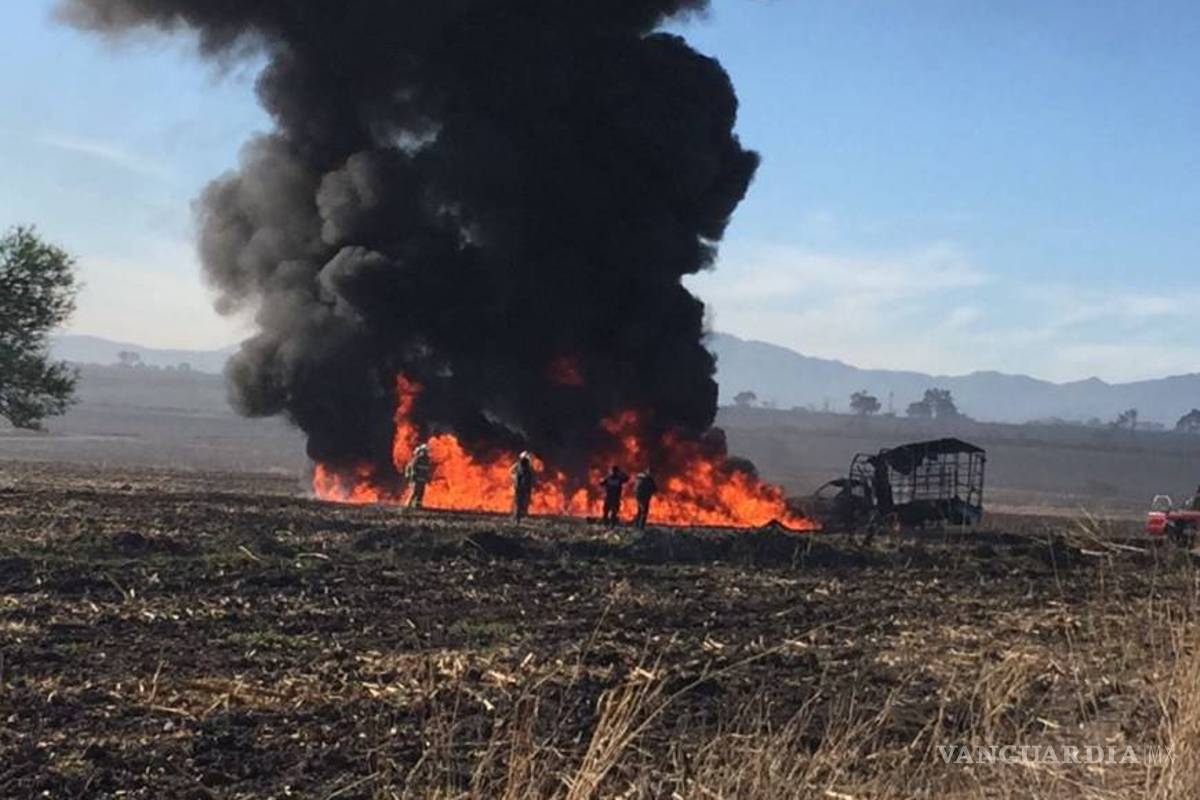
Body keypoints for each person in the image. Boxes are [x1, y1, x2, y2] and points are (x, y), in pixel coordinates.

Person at [404, 444, 432, 509]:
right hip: (416, 480)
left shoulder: (427, 461)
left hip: (422, 480)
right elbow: (412, 468)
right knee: (414, 492)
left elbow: (427, 471)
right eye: (424, 451)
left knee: (421, 493)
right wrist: (412, 477)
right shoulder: (417, 459)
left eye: (426, 452)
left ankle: (418, 505)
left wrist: (428, 478)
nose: (425, 453)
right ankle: (408, 505)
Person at [511, 451, 535, 521]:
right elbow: (511, 471)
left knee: (523, 501)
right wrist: (514, 478)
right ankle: (517, 516)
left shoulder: (528, 467)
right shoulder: (519, 466)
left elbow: (530, 477)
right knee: (518, 502)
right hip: (519, 487)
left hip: (524, 487)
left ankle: (521, 514)